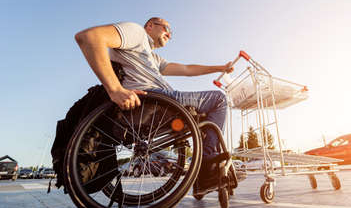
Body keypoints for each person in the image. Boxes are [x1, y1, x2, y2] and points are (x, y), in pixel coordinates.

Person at [74, 17, 233, 187]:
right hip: (154, 102)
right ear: (150, 26)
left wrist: (220, 68)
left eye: (171, 32)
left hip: (158, 105)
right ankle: (206, 167)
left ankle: (207, 170)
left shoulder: (153, 58)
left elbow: (187, 69)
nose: (169, 35)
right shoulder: (137, 33)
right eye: (166, 28)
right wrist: (115, 90)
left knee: (205, 120)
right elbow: (90, 37)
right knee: (219, 100)